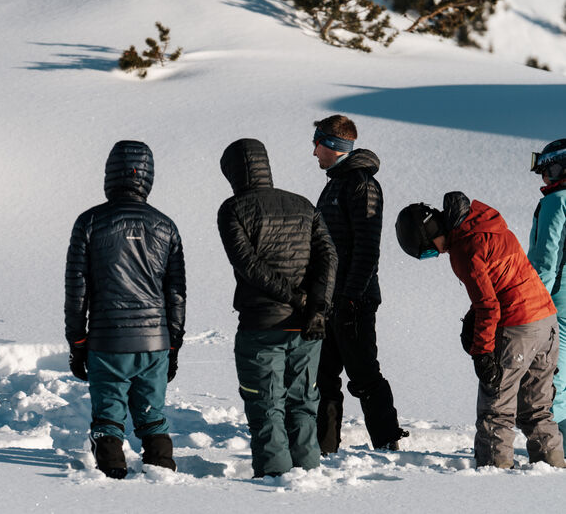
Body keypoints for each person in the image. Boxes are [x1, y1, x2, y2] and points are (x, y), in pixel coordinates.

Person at [396, 192, 565, 468]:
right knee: (536, 409)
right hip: (546, 321)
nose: (437, 253)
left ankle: (492, 478)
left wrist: (482, 352)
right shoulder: (486, 224)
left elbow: (489, 305)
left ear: (430, 232)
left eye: (428, 249)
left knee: (496, 409)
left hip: (518, 327)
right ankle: (552, 468)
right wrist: (472, 318)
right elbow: (500, 281)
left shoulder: (463, 248)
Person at [65, 140, 186, 479]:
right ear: (147, 177)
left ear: (110, 173)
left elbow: (77, 289)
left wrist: (77, 341)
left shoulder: (89, 222)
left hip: (107, 340)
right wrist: (173, 343)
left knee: (108, 416)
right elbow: (176, 293)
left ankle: (111, 479)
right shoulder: (165, 225)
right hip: (154, 341)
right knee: (152, 414)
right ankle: (161, 469)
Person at [217, 138, 337, 478]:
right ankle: (308, 477)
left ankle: (274, 485)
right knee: (303, 405)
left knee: (266, 407)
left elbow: (249, 267)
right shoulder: (302, 205)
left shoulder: (233, 209)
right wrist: (317, 306)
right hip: (308, 328)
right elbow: (329, 257)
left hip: (262, 328)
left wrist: (301, 301)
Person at [310, 115, 407, 453]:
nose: (313, 152)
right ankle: (324, 446)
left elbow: (368, 247)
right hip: (331, 298)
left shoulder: (361, 183)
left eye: (317, 143)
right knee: (323, 377)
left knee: (364, 374)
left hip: (355, 300)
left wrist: (351, 298)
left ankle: (387, 441)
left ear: (333, 145)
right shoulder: (335, 182)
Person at [527, 139, 566, 436]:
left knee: (555, 380)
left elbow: (546, 260)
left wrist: (531, 303)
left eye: (548, 170)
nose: (544, 178)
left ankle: (557, 452)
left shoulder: (556, 200)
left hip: (558, 303)